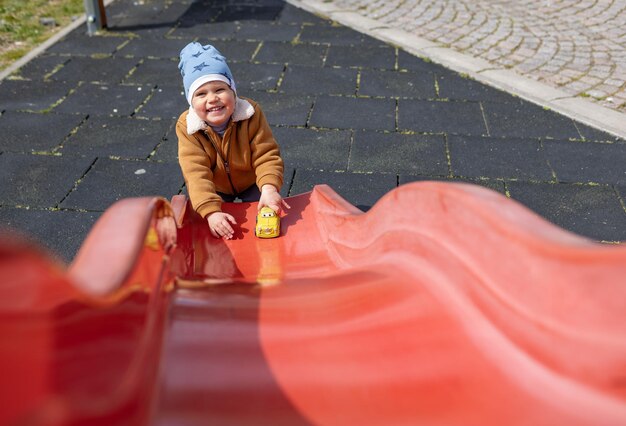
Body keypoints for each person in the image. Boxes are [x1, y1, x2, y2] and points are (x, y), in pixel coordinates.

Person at [176, 42, 290, 239]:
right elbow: (195, 172)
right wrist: (211, 211)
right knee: (211, 228)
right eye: (201, 94)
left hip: (251, 180)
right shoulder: (188, 127)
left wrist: (269, 188)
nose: (212, 99)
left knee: (270, 208)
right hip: (216, 186)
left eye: (219, 89)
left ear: (233, 92)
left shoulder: (250, 114)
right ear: (191, 103)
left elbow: (266, 154)